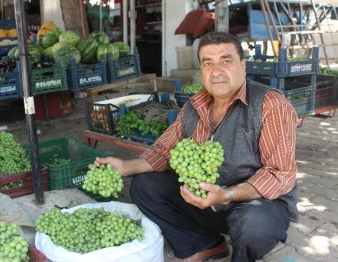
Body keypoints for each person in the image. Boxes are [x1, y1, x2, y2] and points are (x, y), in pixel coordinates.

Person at [93, 31, 298, 262]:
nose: (217, 71)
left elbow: (280, 173)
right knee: (144, 185)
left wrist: (227, 194)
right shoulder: (194, 105)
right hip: (205, 199)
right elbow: (163, 152)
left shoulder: (270, 104)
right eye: (208, 63)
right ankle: (205, 243)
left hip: (252, 203)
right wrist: (125, 166)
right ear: (201, 69)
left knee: (255, 224)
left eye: (226, 61)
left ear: (243, 65)